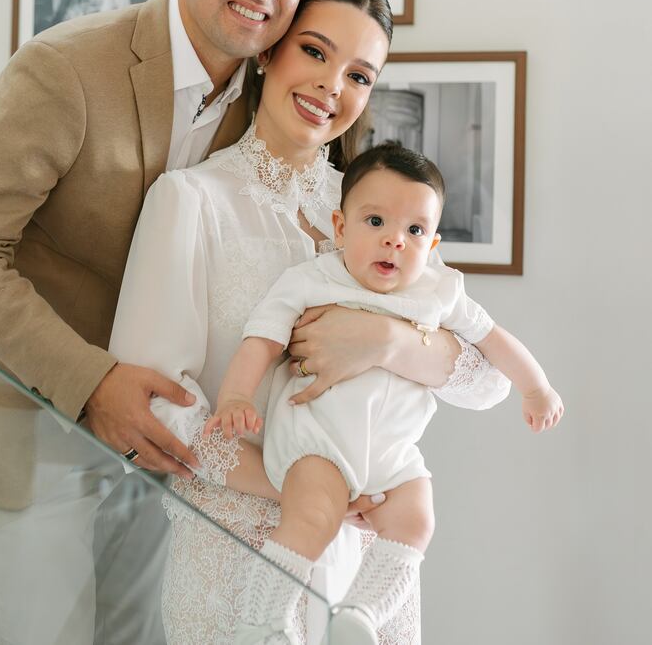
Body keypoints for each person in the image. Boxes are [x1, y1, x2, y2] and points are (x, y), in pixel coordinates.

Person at [0, 0, 324, 645]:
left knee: (136, 633)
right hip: (32, 415)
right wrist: (92, 381)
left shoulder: (270, 98)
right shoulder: (64, 67)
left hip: (170, 436)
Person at [109, 0, 512, 645]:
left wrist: (387, 341)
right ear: (269, 50)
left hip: (362, 575)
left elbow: (490, 380)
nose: (332, 85)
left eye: (359, 74)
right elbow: (152, 409)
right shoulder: (190, 200)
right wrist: (307, 492)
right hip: (232, 555)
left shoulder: (383, 211)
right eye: (315, 52)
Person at [204, 139, 563, 644]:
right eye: (376, 222)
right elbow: (261, 340)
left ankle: (362, 614)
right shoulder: (310, 279)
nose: (395, 240)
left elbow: (493, 340)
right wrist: (236, 397)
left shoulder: (438, 290)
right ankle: (261, 620)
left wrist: (536, 387)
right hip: (318, 442)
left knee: (416, 521)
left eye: (415, 230)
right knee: (313, 518)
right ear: (340, 227)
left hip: (392, 452)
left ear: (432, 246)